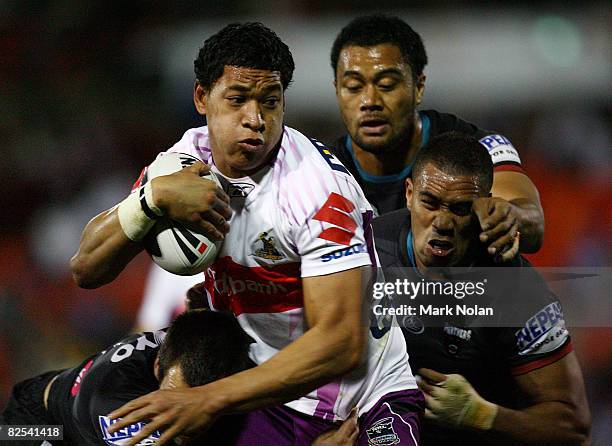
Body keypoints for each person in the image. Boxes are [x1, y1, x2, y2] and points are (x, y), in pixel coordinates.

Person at [70, 22, 422, 446]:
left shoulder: (318, 189)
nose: (255, 120)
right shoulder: (179, 166)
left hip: (361, 397)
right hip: (261, 386)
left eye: (270, 102)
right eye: (238, 100)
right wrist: (151, 198)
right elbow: (87, 268)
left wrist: (206, 400)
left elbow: (341, 345)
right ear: (202, 98)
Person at [371, 132, 591, 445]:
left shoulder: (514, 288)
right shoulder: (365, 250)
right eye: (429, 203)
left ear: (484, 206)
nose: (442, 223)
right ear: (409, 194)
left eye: (460, 209)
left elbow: (574, 426)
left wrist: (482, 415)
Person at [330, 15, 544, 262]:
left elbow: (533, 223)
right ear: (337, 89)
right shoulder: (321, 172)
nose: (370, 102)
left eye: (387, 85)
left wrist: (510, 217)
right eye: (354, 86)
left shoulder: (478, 148)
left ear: (418, 87)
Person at [0, 310, 254, 445]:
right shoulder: (113, 400)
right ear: (157, 367)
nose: (176, 410)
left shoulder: (199, 345)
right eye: (170, 396)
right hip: (41, 426)